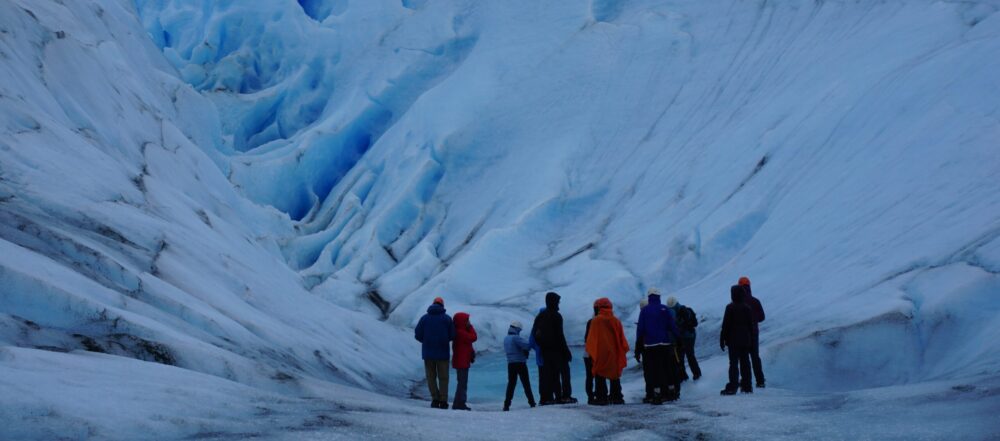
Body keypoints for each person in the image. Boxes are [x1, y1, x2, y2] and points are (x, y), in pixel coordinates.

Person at [636, 288, 682, 404]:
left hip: (650, 345)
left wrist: (638, 347)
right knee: (668, 368)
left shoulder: (645, 311)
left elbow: (640, 329)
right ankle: (671, 392)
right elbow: (672, 326)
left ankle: (656, 394)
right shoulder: (664, 309)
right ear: (659, 296)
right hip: (665, 343)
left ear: (649, 297)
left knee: (654, 370)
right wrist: (679, 338)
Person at [532, 292, 577, 404]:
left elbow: (535, 334)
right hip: (558, 351)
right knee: (565, 373)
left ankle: (554, 397)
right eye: (557, 301)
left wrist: (542, 347)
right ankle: (565, 396)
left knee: (552, 374)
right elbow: (560, 335)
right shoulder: (556, 316)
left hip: (546, 351)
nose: (558, 304)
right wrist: (566, 351)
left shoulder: (540, 316)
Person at [585, 298, 629, 405]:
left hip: (600, 353)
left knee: (600, 374)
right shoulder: (616, 321)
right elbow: (621, 338)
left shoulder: (596, 321)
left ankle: (601, 397)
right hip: (614, 353)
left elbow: (591, 339)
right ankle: (616, 396)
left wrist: (591, 353)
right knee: (614, 375)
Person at [414, 297, 456, 409]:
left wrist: (426, 341)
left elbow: (417, 334)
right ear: (442, 305)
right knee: (443, 377)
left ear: (433, 304)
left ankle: (434, 399)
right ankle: (443, 401)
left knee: (431, 377)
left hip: (428, 353)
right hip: (443, 352)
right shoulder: (447, 319)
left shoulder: (424, 318)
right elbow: (452, 335)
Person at [720, 285, 754, 395]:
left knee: (734, 364)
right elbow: (751, 326)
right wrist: (752, 341)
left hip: (733, 341)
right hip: (745, 340)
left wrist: (722, 339)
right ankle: (747, 386)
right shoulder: (747, 308)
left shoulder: (730, 307)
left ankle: (733, 386)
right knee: (745, 363)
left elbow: (725, 325)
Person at [739, 276, 766, 388]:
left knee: (744, 358)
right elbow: (762, 317)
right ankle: (760, 381)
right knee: (755, 357)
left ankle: (746, 381)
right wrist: (754, 320)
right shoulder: (755, 301)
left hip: (742, 334)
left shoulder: (738, 302)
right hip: (754, 333)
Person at [503, 321, 537, 411]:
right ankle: (532, 403)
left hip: (510, 364)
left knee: (511, 384)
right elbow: (527, 346)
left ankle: (506, 405)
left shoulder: (506, 338)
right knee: (526, 384)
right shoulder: (516, 338)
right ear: (517, 329)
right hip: (520, 363)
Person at [666, 296, 702, 381]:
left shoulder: (681, 311)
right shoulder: (682, 310)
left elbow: (682, 325)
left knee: (685, 356)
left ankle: (689, 375)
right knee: (685, 355)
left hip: (686, 336)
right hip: (687, 336)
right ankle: (693, 374)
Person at [451, 312, 477, 410]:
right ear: (462, 322)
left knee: (462, 383)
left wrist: (471, 353)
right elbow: (473, 337)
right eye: (467, 320)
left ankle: (458, 403)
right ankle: (459, 404)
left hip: (462, 361)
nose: (469, 322)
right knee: (462, 383)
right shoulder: (460, 332)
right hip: (461, 362)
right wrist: (470, 327)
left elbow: (468, 344)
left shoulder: (460, 331)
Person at [528, 307, 551, 405]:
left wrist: (537, 349)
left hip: (539, 357)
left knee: (542, 377)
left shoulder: (535, 326)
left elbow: (531, 342)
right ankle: (550, 397)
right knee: (550, 376)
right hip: (548, 356)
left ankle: (543, 398)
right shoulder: (547, 325)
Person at [634, 298, 654, 403]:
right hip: (660, 347)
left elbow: (640, 336)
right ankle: (660, 392)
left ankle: (650, 394)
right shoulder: (657, 314)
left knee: (649, 373)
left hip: (647, 349)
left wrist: (637, 351)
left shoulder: (643, 317)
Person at [583, 304, 599, 404]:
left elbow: (586, 338)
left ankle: (590, 397)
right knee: (597, 375)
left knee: (589, 376)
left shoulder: (590, 321)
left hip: (587, 353)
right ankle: (597, 395)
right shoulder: (597, 322)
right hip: (594, 354)